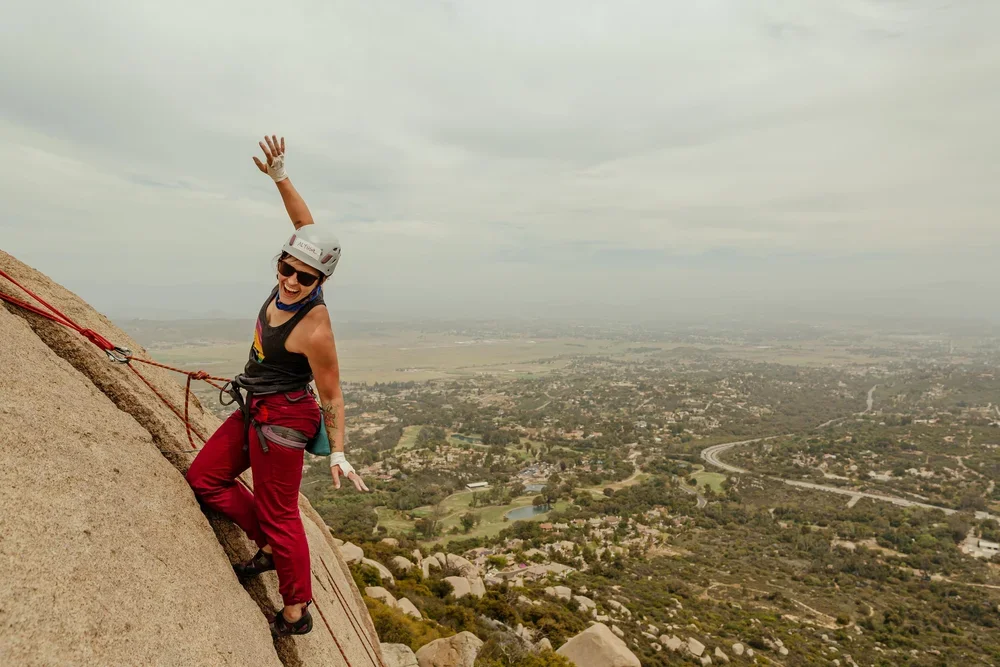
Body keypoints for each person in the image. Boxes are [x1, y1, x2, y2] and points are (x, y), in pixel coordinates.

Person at [186, 135, 369, 638]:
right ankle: (266, 546)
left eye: (304, 278)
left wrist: (337, 452)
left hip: (284, 420)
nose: (290, 281)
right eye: (286, 268)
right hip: (255, 406)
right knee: (204, 479)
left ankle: (297, 608)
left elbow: (332, 395)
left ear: (321, 281)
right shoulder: (294, 267)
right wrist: (281, 177)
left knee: (283, 513)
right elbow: (305, 227)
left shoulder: (316, 327)